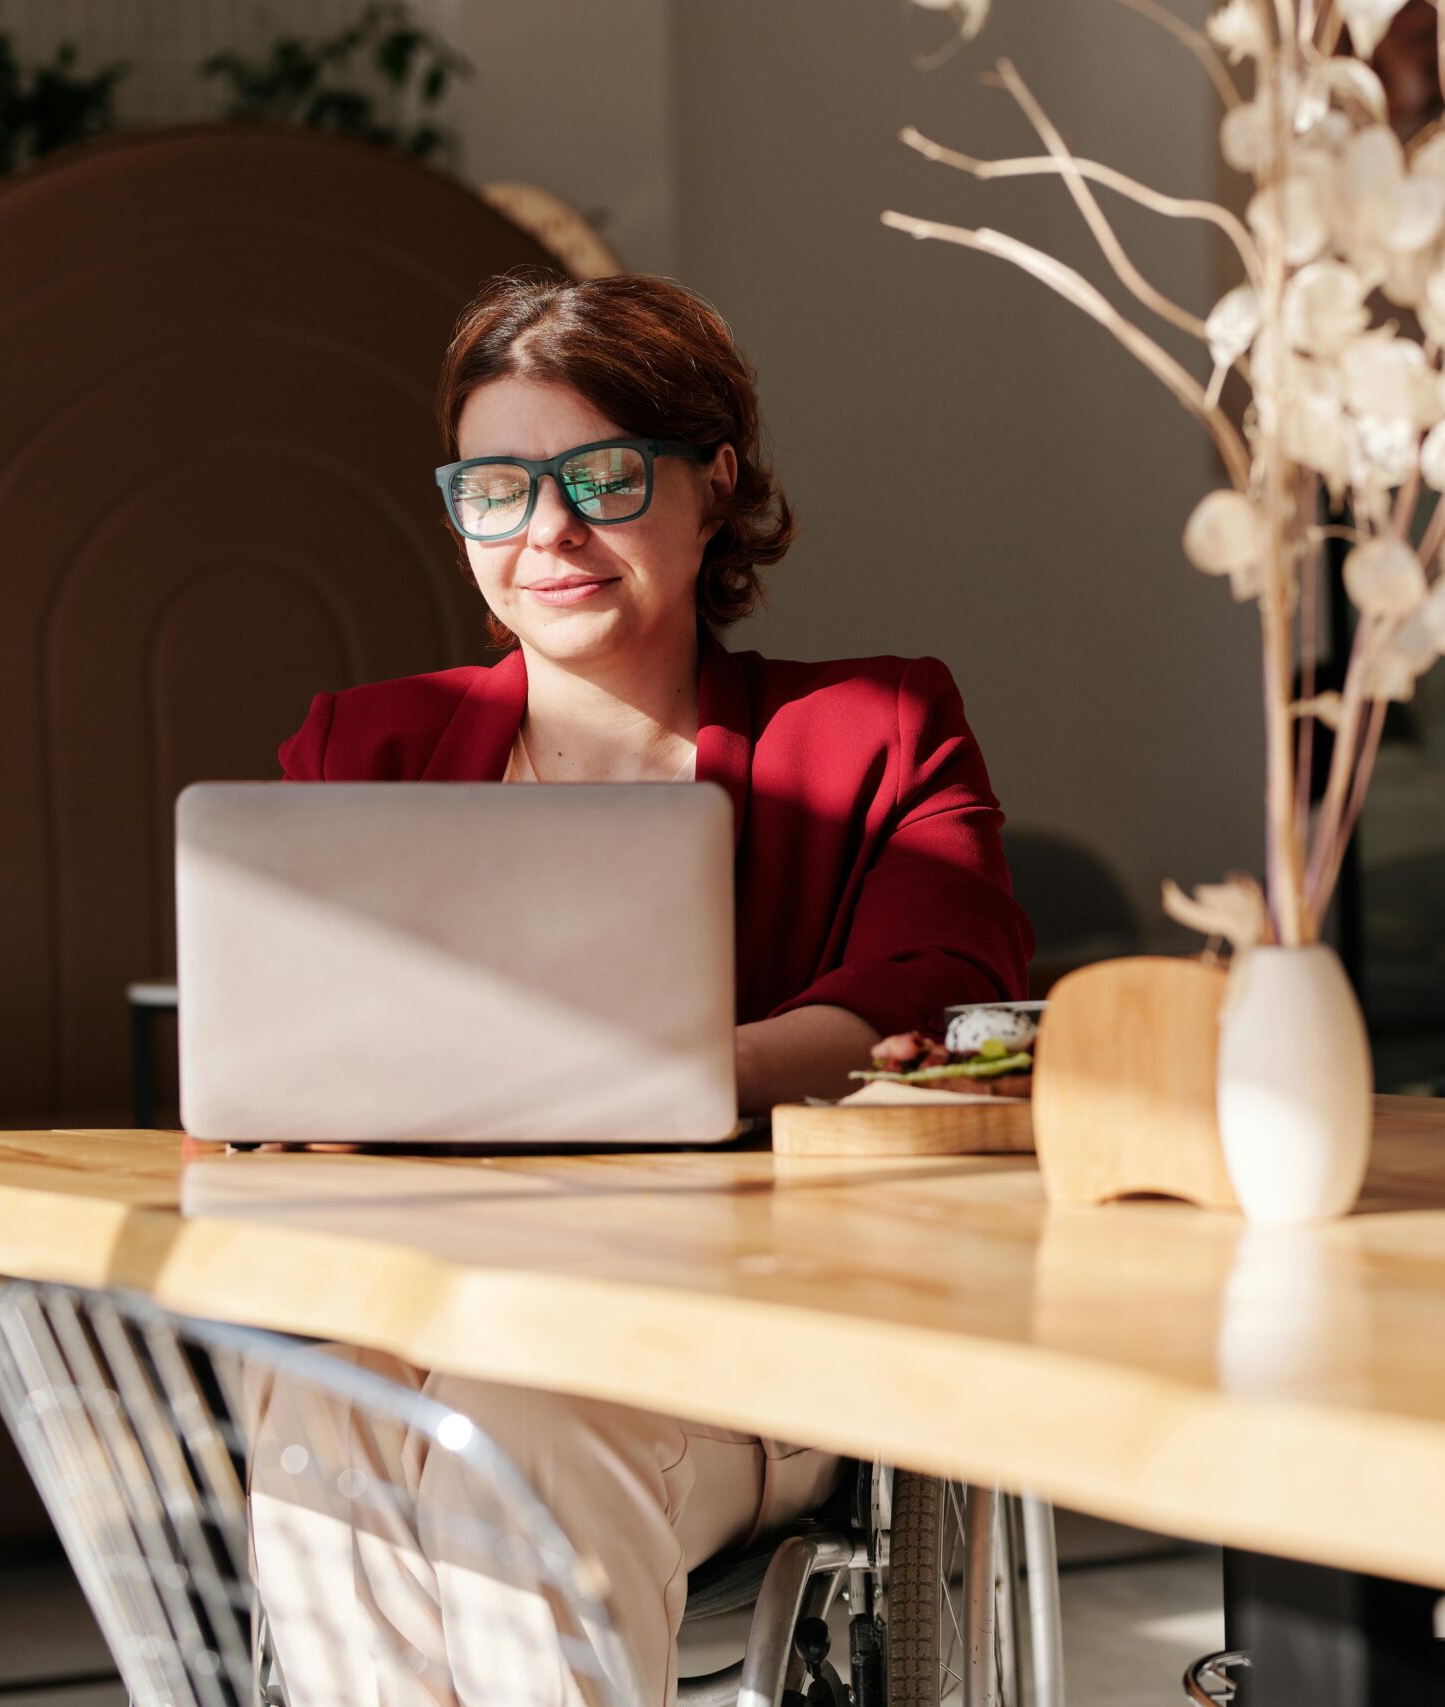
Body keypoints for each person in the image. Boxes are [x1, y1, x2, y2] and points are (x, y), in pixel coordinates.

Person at [248, 270, 1035, 1705]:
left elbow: (950, 993)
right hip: (427, 1315)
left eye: (601, 477)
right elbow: (281, 1062)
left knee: (524, 1413)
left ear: (713, 482)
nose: (547, 530)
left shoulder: (876, 725)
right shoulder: (361, 747)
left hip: (746, 1348)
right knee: (316, 1397)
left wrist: (671, 1077)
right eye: (496, 485)